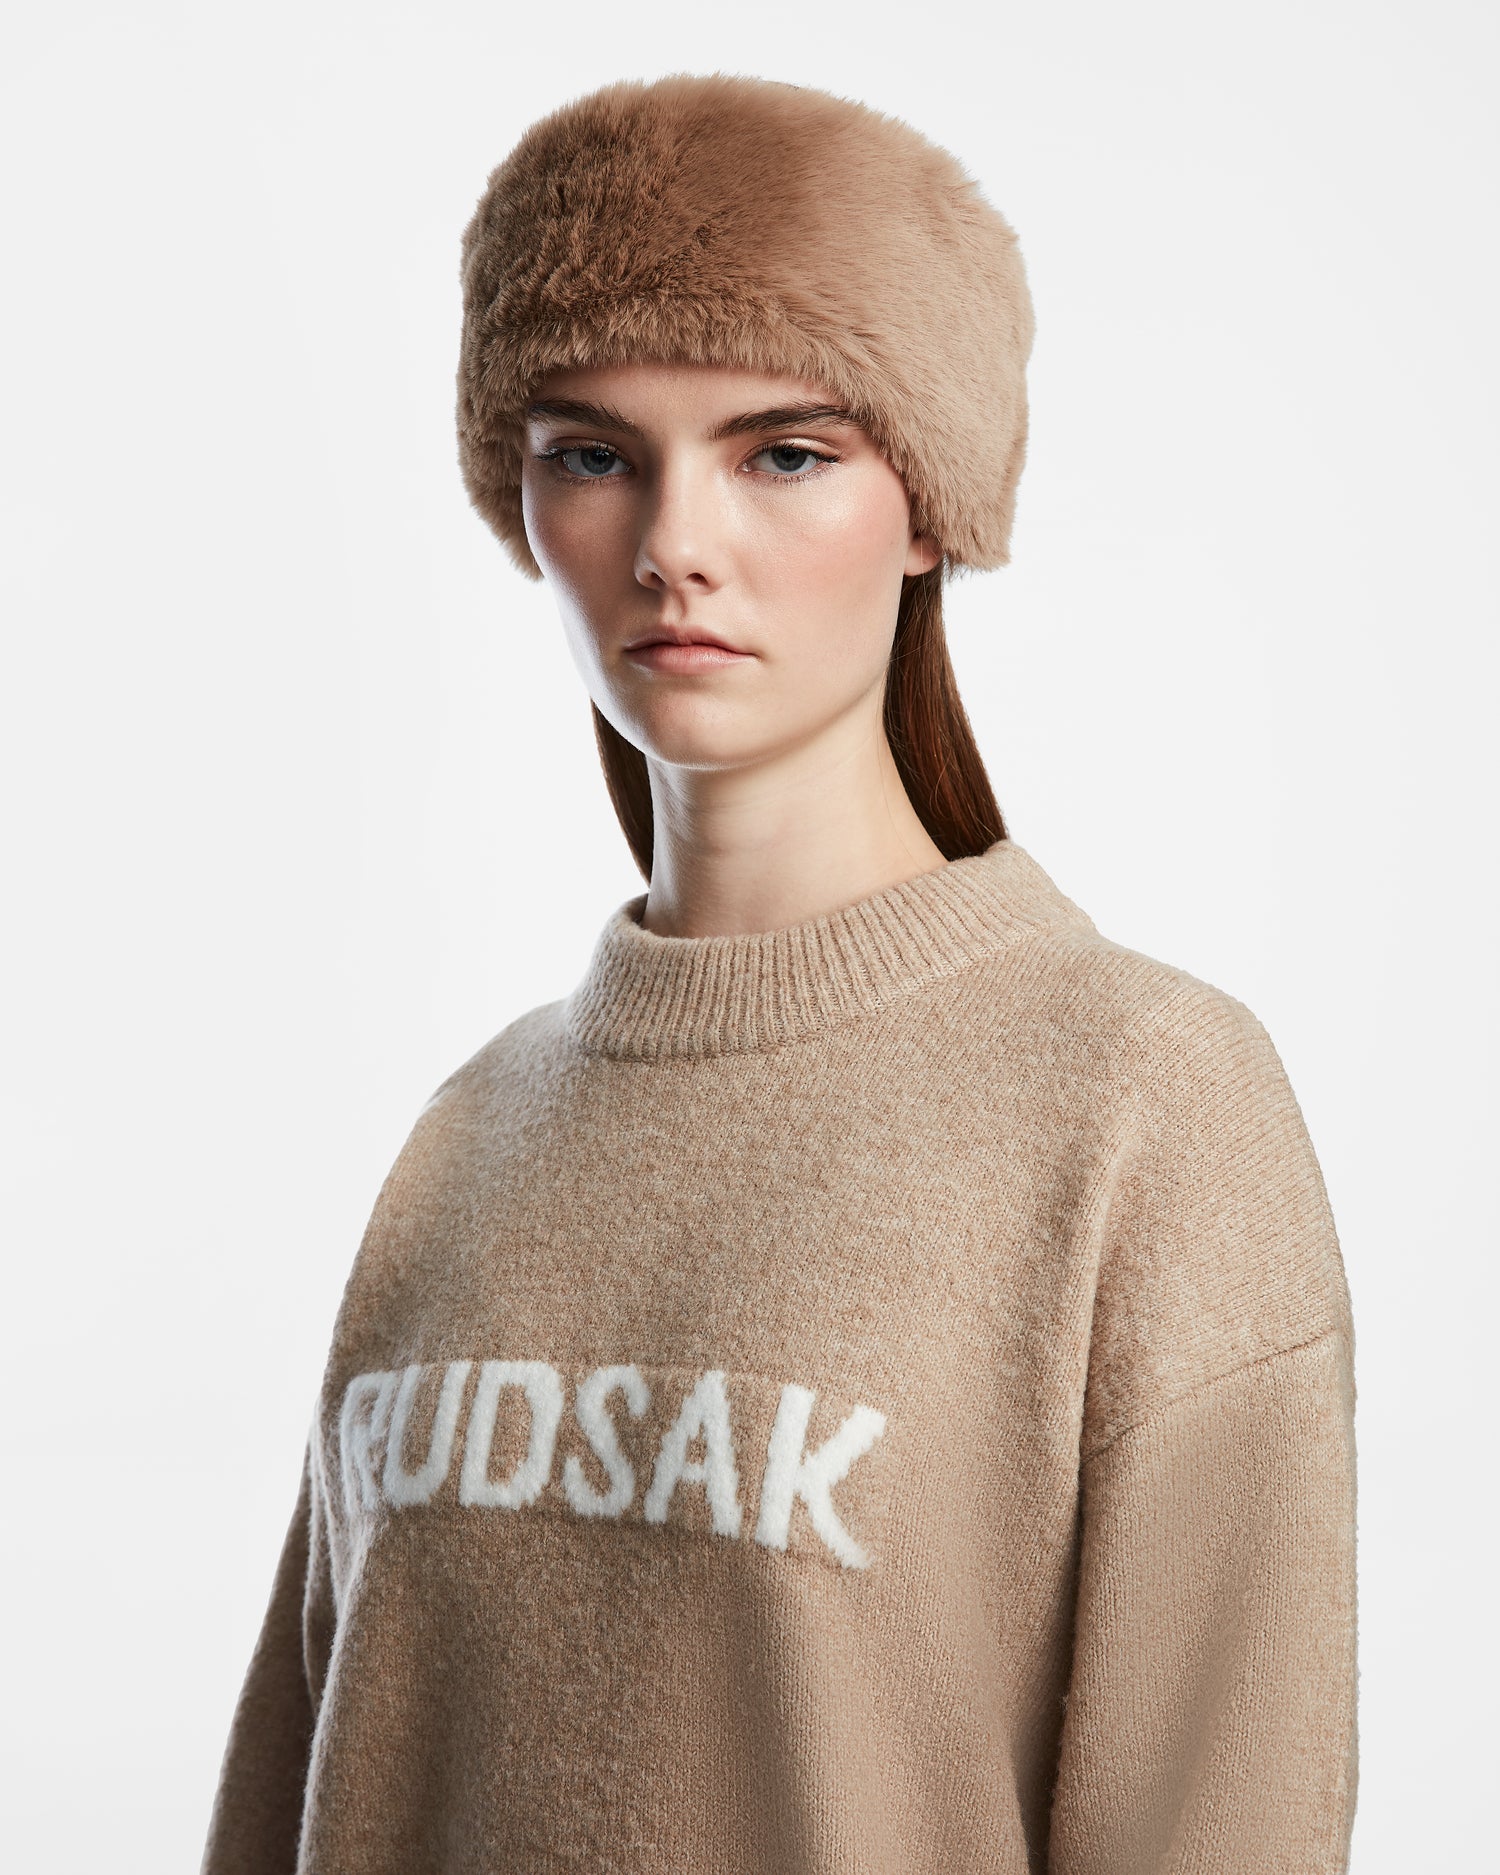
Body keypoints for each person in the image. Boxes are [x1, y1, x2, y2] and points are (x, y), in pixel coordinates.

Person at [200, 73, 1357, 1875]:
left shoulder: (1143, 1104)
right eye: (592, 451)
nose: (676, 541)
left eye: (783, 453)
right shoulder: (471, 1139)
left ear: (928, 506)